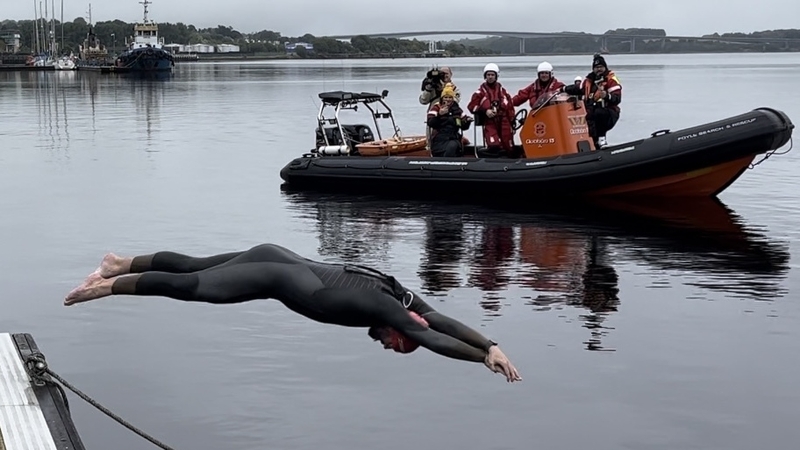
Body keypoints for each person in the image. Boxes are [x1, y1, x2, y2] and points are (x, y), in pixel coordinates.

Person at [65, 243, 522, 383]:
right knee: (195, 287)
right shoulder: (392, 311)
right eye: (394, 344)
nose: (385, 343)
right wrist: (481, 358)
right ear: (401, 332)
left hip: (277, 255)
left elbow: (440, 323)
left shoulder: (403, 298)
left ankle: (118, 263)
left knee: (194, 267)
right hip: (273, 275)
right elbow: (435, 337)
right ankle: (109, 286)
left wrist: (491, 343)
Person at [563, 54, 621, 148]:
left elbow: (617, 99)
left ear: (605, 67)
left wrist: (607, 96)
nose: (599, 69)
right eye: (596, 67)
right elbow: (576, 89)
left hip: (609, 113)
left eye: (601, 67)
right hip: (591, 115)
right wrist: (563, 89)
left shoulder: (611, 80)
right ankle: (596, 146)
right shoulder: (588, 81)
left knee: (599, 113)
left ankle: (602, 139)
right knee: (590, 120)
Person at [467, 63, 517, 157]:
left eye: (492, 75)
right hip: (490, 122)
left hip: (504, 121)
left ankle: (508, 159)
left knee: (508, 146)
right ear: (485, 76)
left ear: (496, 76)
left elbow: (510, 108)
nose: (490, 77)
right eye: (488, 75)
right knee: (494, 146)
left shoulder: (504, 92)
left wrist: (513, 123)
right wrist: (485, 111)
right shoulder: (479, 93)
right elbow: (471, 107)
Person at [427, 83, 473, 157]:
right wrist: (439, 115)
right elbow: (430, 123)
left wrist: (467, 121)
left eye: (450, 97)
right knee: (449, 148)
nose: (448, 99)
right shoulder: (436, 107)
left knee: (453, 146)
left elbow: (464, 127)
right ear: (442, 98)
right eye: (446, 97)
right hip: (440, 138)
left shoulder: (457, 109)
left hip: (453, 137)